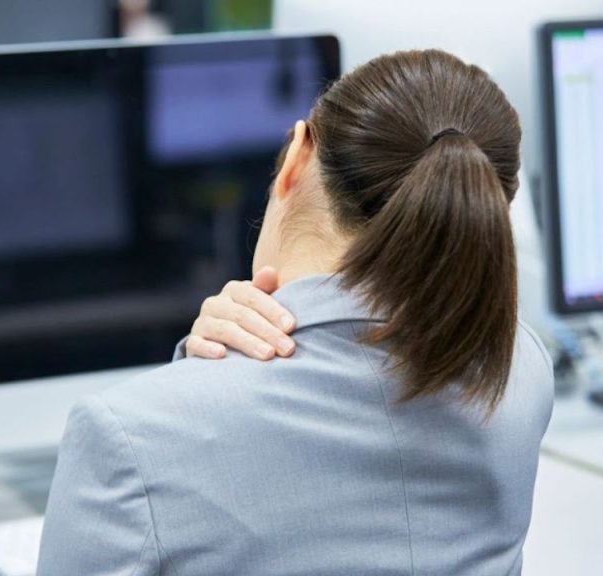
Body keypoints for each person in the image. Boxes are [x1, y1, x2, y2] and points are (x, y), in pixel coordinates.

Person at [36, 49, 554, 575]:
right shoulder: (522, 372)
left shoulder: (127, 439)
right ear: (486, 207)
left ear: (296, 158)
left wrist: (189, 390)